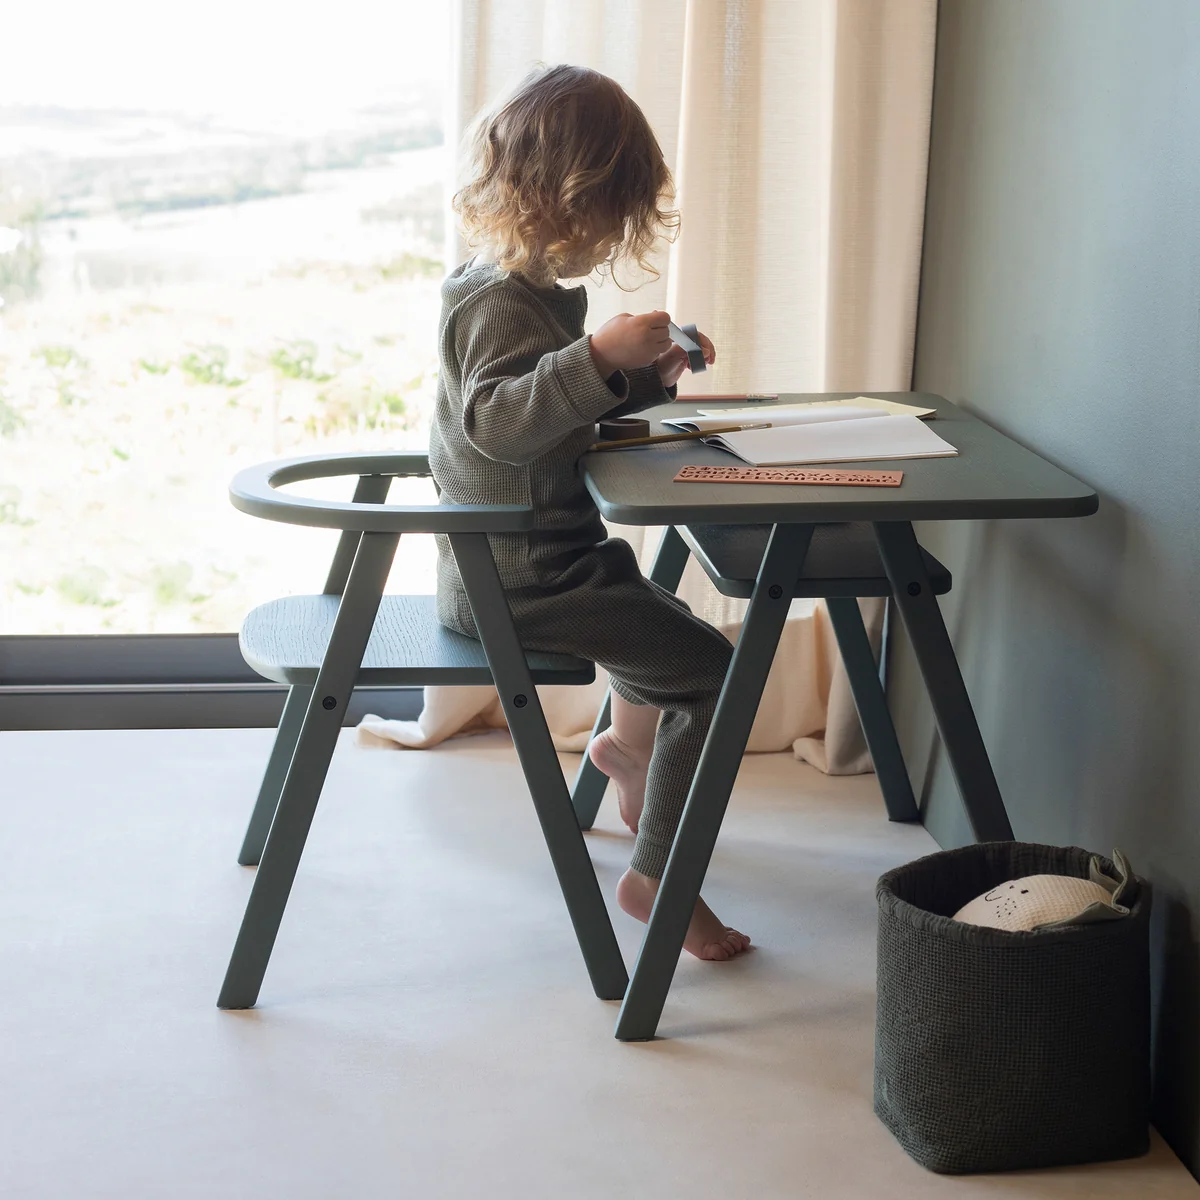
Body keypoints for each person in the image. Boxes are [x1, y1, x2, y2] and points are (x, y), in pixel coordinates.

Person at [429, 63, 750, 961]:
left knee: (665, 625)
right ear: (556, 201)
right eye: (603, 226)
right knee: (713, 674)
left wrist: (646, 376)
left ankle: (628, 755)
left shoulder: (525, 291)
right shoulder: (497, 300)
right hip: (522, 578)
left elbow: (555, 417)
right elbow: (500, 426)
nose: (605, 248)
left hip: (538, 561)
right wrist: (598, 354)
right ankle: (659, 879)